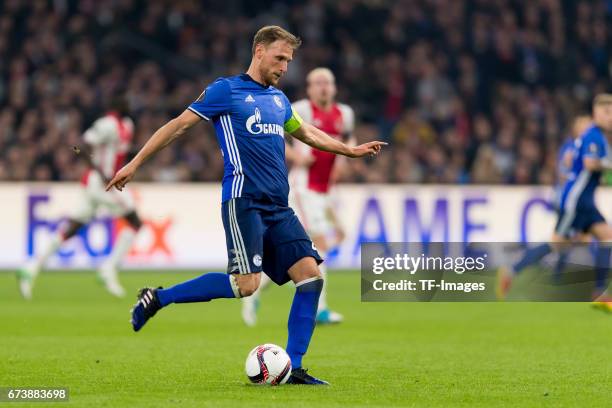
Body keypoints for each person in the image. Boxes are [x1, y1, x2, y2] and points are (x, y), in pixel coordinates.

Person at [105, 26, 386, 385]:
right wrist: (134, 163)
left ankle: (294, 367)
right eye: (280, 58)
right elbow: (178, 126)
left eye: (289, 61)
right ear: (259, 51)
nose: (285, 67)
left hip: (279, 207)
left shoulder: (279, 100)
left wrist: (350, 150)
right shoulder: (227, 90)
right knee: (246, 285)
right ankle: (159, 298)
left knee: (311, 277)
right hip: (244, 202)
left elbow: (308, 133)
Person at [241, 67, 353, 326]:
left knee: (341, 235)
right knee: (320, 242)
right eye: (318, 83)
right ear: (309, 88)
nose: (324, 87)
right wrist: (297, 156)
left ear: (334, 87)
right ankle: (320, 310)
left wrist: (343, 160)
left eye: (328, 82)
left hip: (327, 190)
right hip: (304, 188)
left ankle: (259, 286)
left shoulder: (345, 114)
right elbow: (274, 135)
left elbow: (348, 137)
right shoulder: (300, 109)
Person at [17, 97, 141, 299]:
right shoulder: (106, 124)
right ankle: (108, 269)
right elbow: (80, 146)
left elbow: (120, 152)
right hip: (101, 183)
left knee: (73, 227)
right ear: (116, 105)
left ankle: (31, 267)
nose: (129, 105)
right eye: (125, 101)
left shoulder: (128, 125)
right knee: (135, 222)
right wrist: (99, 171)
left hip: (102, 183)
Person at [498, 96, 612, 310]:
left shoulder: (592, 139)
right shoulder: (591, 138)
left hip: (583, 201)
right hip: (576, 202)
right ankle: (513, 269)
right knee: (559, 243)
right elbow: (588, 164)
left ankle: (599, 292)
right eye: (607, 112)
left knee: (603, 238)